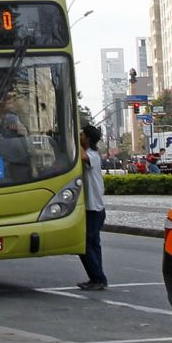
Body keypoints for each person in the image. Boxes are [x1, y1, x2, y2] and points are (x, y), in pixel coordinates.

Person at [77, 124, 107, 291]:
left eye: (82, 134)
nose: (80, 137)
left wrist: (72, 138)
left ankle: (98, 277)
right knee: (94, 244)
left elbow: (82, 157)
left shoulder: (92, 155)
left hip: (94, 208)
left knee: (84, 244)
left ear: (88, 138)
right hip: (92, 208)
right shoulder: (90, 153)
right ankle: (97, 277)